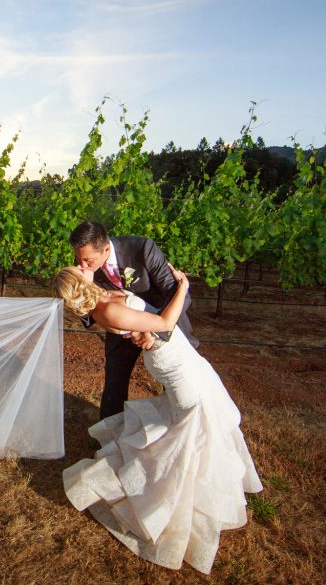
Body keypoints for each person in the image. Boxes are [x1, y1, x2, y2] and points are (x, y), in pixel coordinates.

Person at [51, 264, 262, 574]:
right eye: (78, 268)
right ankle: (167, 498)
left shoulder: (103, 298)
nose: (83, 266)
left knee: (198, 418)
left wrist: (142, 330)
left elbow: (143, 321)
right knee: (195, 423)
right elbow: (164, 322)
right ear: (78, 284)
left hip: (177, 355)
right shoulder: (106, 311)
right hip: (175, 364)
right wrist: (183, 288)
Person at [69, 221, 197, 420]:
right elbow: (88, 311)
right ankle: (109, 435)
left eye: (87, 260)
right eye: (79, 259)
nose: (82, 265)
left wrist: (151, 330)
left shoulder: (142, 249)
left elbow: (180, 296)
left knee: (178, 384)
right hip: (122, 328)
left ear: (106, 249)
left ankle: (175, 424)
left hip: (165, 327)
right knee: (115, 380)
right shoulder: (85, 264)